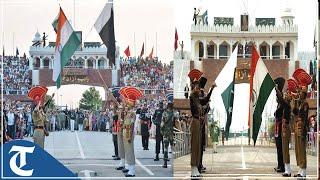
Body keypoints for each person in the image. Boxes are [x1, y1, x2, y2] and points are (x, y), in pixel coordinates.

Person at [189, 71, 216, 177]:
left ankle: (196, 167)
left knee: (199, 146)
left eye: (198, 86)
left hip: (199, 123)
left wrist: (212, 90)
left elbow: (205, 100)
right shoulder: (192, 96)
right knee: (195, 146)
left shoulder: (197, 98)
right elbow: (201, 103)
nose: (198, 88)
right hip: (195, 122)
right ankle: (193, 168)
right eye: (196, 86)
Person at [292, 86, 309, 177]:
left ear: (304, 94)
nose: (299, 94)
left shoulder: (305, 104)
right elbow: (294, 112)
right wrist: (295, 100)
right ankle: (300, 169)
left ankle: (304, 170)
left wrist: (303, 131)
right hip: (297, 128)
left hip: (302, 129)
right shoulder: (299, 103)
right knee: (298, 150)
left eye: (301, 93)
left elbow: (305, 119)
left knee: (302, 150)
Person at [273, 78, 285, 173]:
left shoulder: (282, 103)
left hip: (281, 128)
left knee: (281, 148)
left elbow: (280, 98)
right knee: (278, 148)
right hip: (277, 128)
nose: (276, 98)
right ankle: (279, 165)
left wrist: (277, 88)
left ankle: (282, 166)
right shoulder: (278, 105)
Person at [123, 101, 137, 177]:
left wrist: (130, 136)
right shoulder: (127, 113)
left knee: (130, 151)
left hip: (129, 133)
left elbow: (132, 125)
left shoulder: (132, 113)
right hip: (126, 132)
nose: (126, 105)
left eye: (127, 104)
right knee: (127, 151)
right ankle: (129, 167)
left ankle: (132, 171)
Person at [161, 101, 174, 168]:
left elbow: (162, 124)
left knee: (166, 148)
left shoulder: (164, 113)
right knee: (173, 148)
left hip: (166, 132)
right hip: (172, 133)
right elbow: (177, 124)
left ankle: (165, 163)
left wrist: (162, 132)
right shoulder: (175, 113)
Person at [115, 104, 126, 171]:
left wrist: (120, 116)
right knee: (120, 148)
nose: (119, 110)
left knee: (125, 149)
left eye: (120, 108)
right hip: (119, 131)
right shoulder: (119, 114)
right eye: (119, 108)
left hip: (124, 133)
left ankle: (125, 164)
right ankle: (122, 163)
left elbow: (122, 123)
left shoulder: (124, 115)